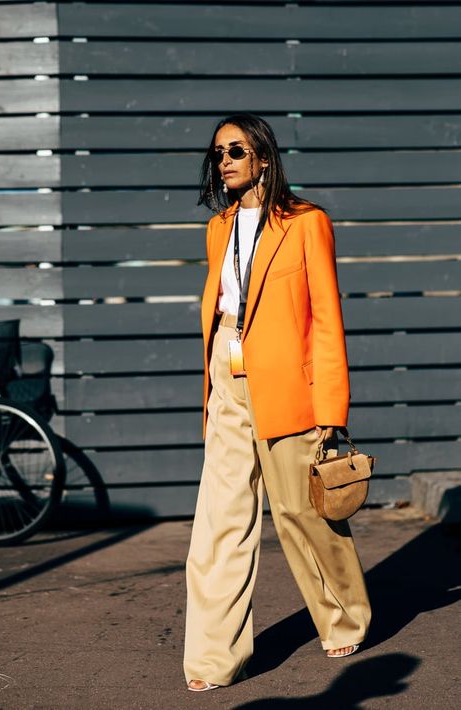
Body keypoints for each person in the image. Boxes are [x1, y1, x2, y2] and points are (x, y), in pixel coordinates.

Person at [183, 113, 371, 692]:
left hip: (288, 382)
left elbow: (326, 322)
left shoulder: (306, 223)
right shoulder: (218, 227)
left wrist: (330, 413)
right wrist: (215, 387)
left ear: (263, 155)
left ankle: (344, 616)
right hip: (229, 376)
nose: (226, 161)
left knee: (302, 514)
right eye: (218, 153)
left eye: (237, 150)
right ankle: (214, 660)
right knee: (220, 522)